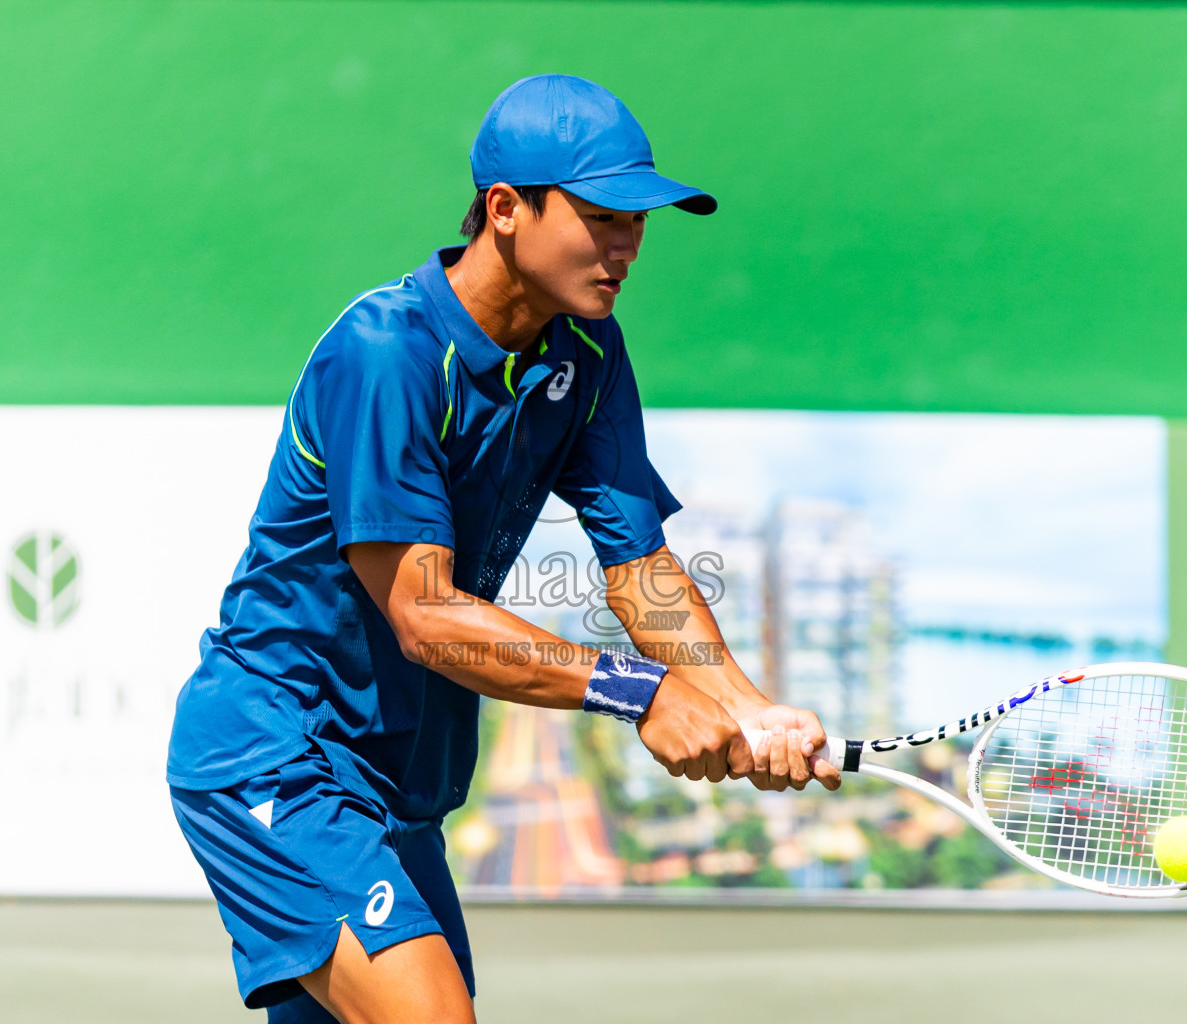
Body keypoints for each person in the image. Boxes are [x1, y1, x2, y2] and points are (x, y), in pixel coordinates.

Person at [166, 74, 840, 1024]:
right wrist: (640, 693)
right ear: (506, 210)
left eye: (639, 221)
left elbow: (639, 570)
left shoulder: (588, 356)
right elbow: (426, 616)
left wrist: (747, 706)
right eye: (603, 215)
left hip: (399, 791)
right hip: (275, 753)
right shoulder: (385, 353)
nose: (627, 244)